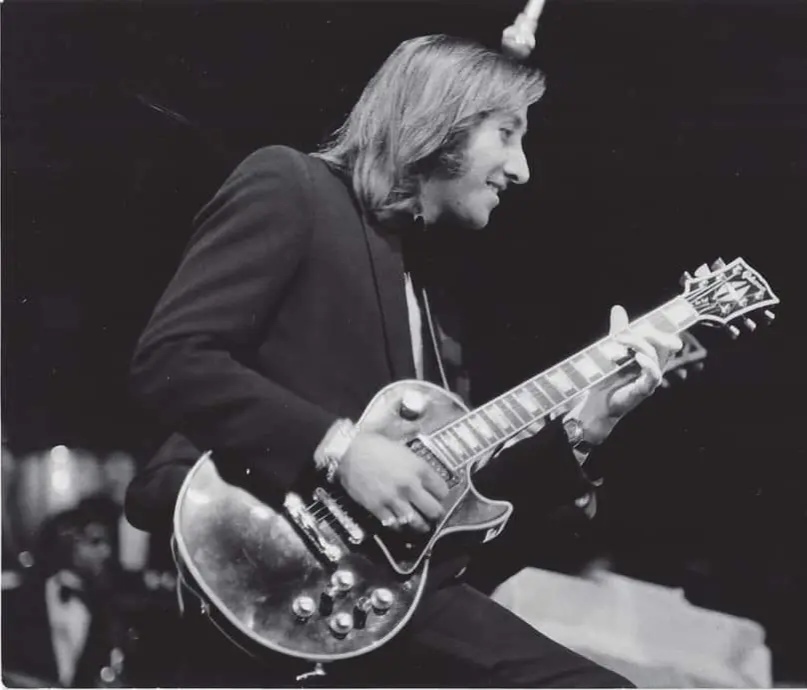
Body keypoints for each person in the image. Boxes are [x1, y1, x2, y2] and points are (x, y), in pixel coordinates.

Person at [125, 34, 682, 687]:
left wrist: (586, 426)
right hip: (261, 569)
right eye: (506, 134)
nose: (522, 169)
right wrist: (339, 449)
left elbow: (464, 531)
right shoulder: (292, 186)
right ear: (440, 123)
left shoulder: (432, 294)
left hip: (388, 601)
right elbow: (171, 357)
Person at [1, 496, 126, 688]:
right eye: (95, 542)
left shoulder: (104, 608)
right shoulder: (15, 600)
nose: (106, 551)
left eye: (108, 543)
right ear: (67, 540)